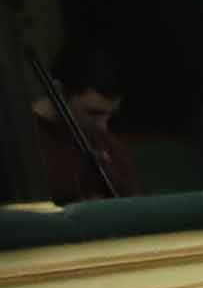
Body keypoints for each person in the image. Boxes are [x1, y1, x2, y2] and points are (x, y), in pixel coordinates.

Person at [28, 43, 137, 202]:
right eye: (93, 112)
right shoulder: (21, 142)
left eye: (110, 115)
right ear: (57, 91)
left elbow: (132, 206)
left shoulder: (109, 145)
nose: (103, 126)